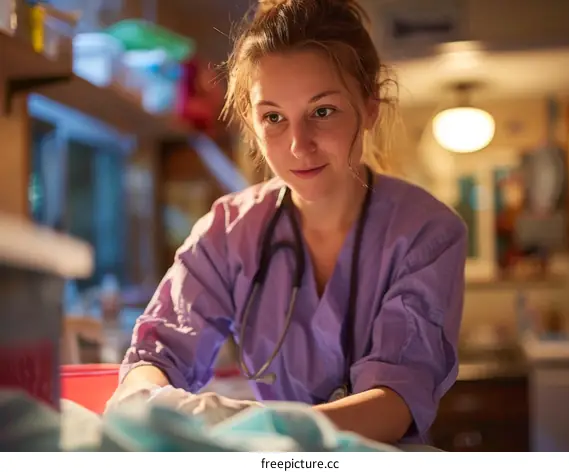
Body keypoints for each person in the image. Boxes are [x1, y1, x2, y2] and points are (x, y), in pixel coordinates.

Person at [114, 0, 467, 446]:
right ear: (251, 123)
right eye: (274, 117)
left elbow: (396, 401)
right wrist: (149, 400)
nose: (299, 146)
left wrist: (262, 429)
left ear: (370, 106)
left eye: (323, 111)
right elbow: (154, 355)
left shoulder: (425, 233)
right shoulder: (228, 232)